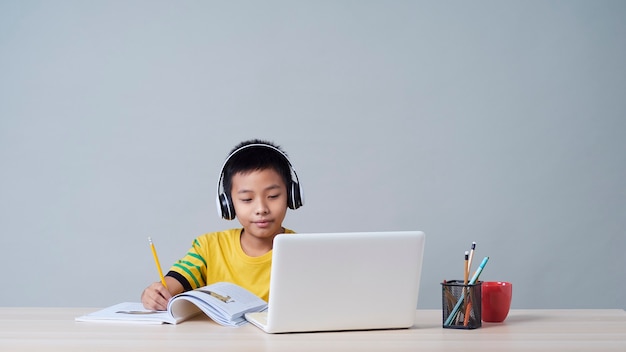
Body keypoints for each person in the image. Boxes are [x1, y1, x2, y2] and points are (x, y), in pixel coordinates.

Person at [141, 139, 304, 310]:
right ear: (228, 204)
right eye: (247, 199)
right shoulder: (208, 248)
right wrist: (154, 295)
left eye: (273, 196)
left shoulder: (302, 251)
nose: (261, 209)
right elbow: (170, 286)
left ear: (292, 196)